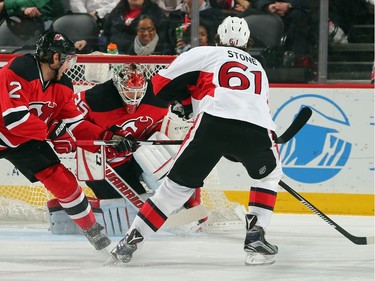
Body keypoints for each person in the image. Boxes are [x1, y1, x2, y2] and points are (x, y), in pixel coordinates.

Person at [108, 16, 283, 266]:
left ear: (218, 39)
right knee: (269, 176)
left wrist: (183, 100)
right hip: (257, 129)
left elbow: (159, 84)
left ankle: (129, 243)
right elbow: (255, 109)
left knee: (173, 191)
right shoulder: (258, 67)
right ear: (248, 42)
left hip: (212, 124)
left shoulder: (206, 52)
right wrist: (237, 148)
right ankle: (256, 235)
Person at [0, 30, 136, 250]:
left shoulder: (63, 86)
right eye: (67, 59)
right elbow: (15, 120)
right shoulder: (21, 69)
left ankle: (93, 231)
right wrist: (54, 131)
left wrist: (109, 137)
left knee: (63, 180)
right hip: (8, 131)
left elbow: (77, 125)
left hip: (24, 141)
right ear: (55, 58)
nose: (69, 65)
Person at [252, 0, 319, 64]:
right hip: (276, 12)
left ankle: (299, 59)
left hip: (305, 12)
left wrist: (290, 5)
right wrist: (268, 6)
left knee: (298, 16)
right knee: (249, 14)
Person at [100, 0, 169, 54]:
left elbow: (163, 42)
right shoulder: (117, 12)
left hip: (141, 62)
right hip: (113, 58)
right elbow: (106, 35)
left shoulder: (155, 13)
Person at [1, 0, 65, 29]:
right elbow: (10, 10)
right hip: (25, 26)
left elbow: (33, 2)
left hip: (53, 24)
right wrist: (22, 9)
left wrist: (5, 4)